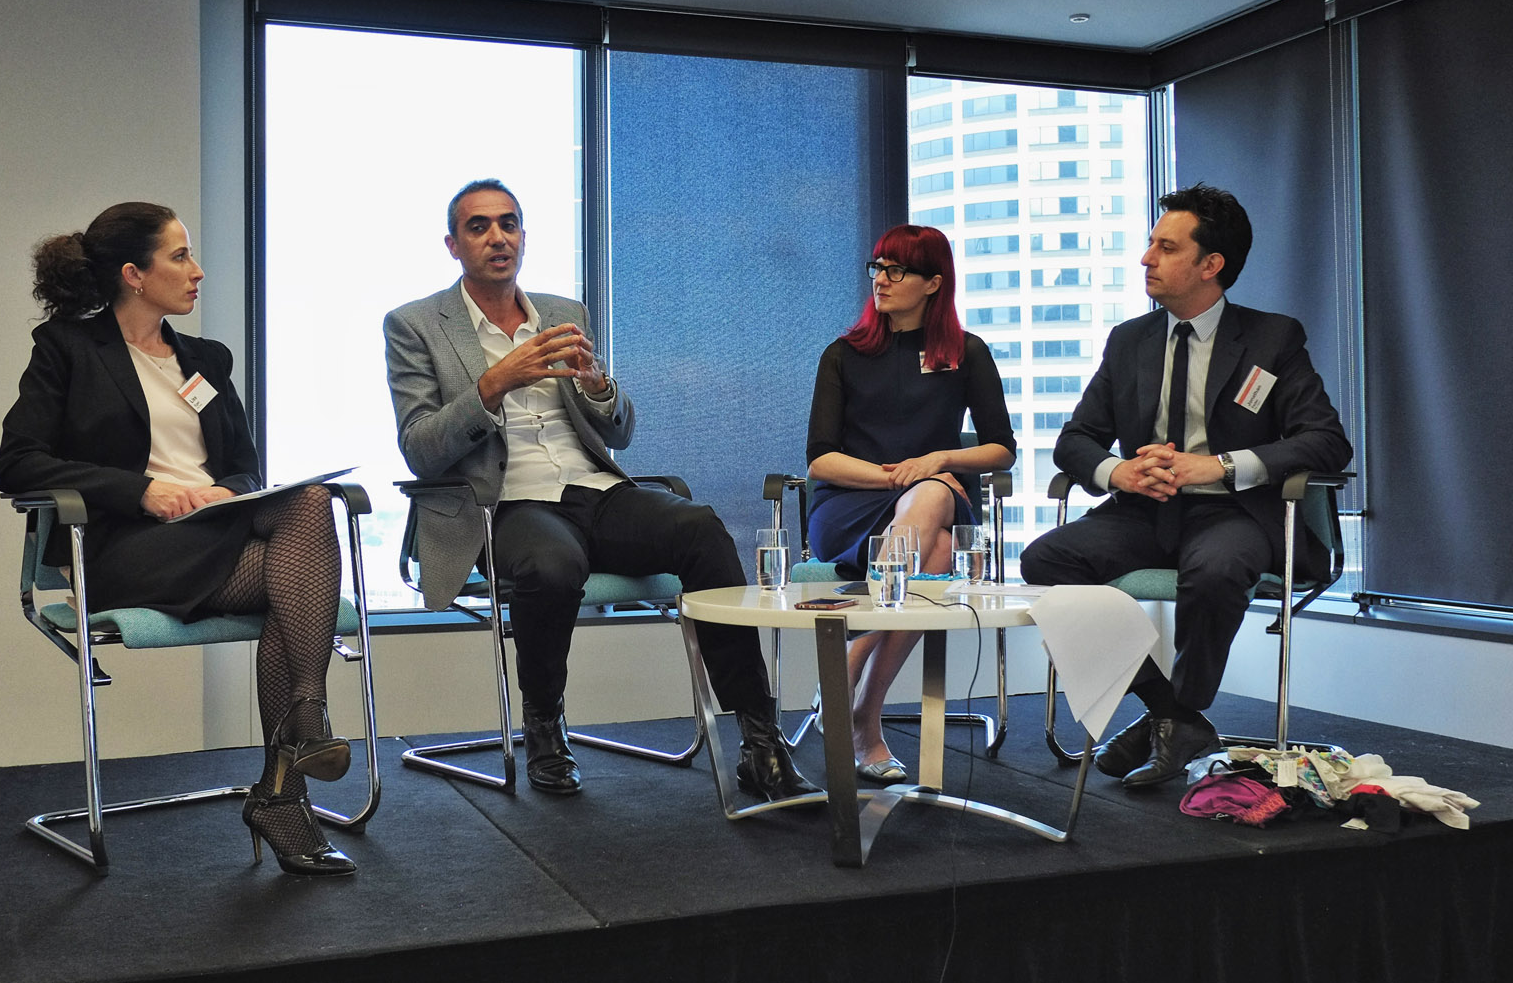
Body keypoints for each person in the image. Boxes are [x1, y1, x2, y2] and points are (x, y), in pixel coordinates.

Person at [384, 178, 817, 800]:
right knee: (553, 563)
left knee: (700, 526)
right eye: (479, 227)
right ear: (453, 245)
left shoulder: (564, 313)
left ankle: (759, 737)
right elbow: (420, 448)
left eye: (509, 223)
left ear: (524, 236)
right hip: (503, 503)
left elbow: (621, 429)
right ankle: (544, 725)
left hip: (594, 487)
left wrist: (595, 387)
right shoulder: (416, 325)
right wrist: (494, 383)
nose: (497, 237)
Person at [0, 202, 357, 876]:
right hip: (125, 549)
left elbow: (244, 463)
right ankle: (294, 762)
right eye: (180, 257)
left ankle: (296, 745)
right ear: (134, 274)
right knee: (295, 585)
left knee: (309, 502)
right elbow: (17, 461)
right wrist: (140, 491)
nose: (197, 273)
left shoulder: (205, 359)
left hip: (216, 533)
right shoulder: (68, 350)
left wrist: (228, 488)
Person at [1020, 183, 1352, 789]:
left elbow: (1327, 442)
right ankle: (1172, 714)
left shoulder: (1273, 339)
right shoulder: (1129, 341)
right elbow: (1076, 440)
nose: (1146, 258)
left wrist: (1221, 465)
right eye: (1150, 244)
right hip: (1144, 512)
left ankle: (1174, 717)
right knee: (1045, 560)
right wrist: (1117, 472)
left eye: (1164, 247)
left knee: (1218, 569)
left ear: (1210, 265)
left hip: (1233, 514)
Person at [805, 224, 1018, 782]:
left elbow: (1002, 450)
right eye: (876, 267)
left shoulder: (966, 353)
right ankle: (862, 721)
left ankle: (853, 678)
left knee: (937, 528)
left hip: (930, 502)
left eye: (896, 270)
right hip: (850, 506)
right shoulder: (842, 355)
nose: (880, 279)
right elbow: (820, 460)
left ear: (933, 283)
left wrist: (941, 460)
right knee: (939, 546)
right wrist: (909, 477)